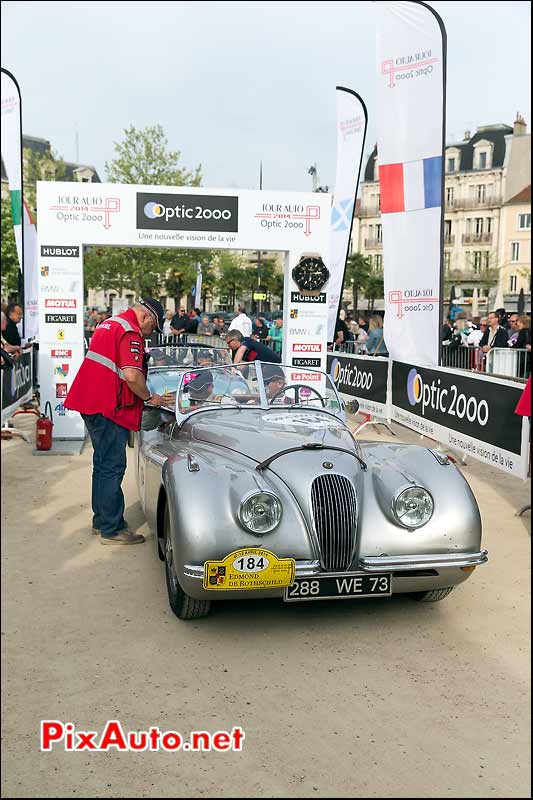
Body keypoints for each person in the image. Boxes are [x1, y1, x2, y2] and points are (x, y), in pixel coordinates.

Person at [64, 298, 173, 545]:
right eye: (151, 328)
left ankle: (101, 521)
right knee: (112, 465)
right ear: (146, 318)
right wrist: (151, 398)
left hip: (91, 402)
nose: (149, 334)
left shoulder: (110, 324)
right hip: (108, 407)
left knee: (102, 464)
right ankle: (112, 529)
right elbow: (132, 376)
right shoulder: (130, 332)